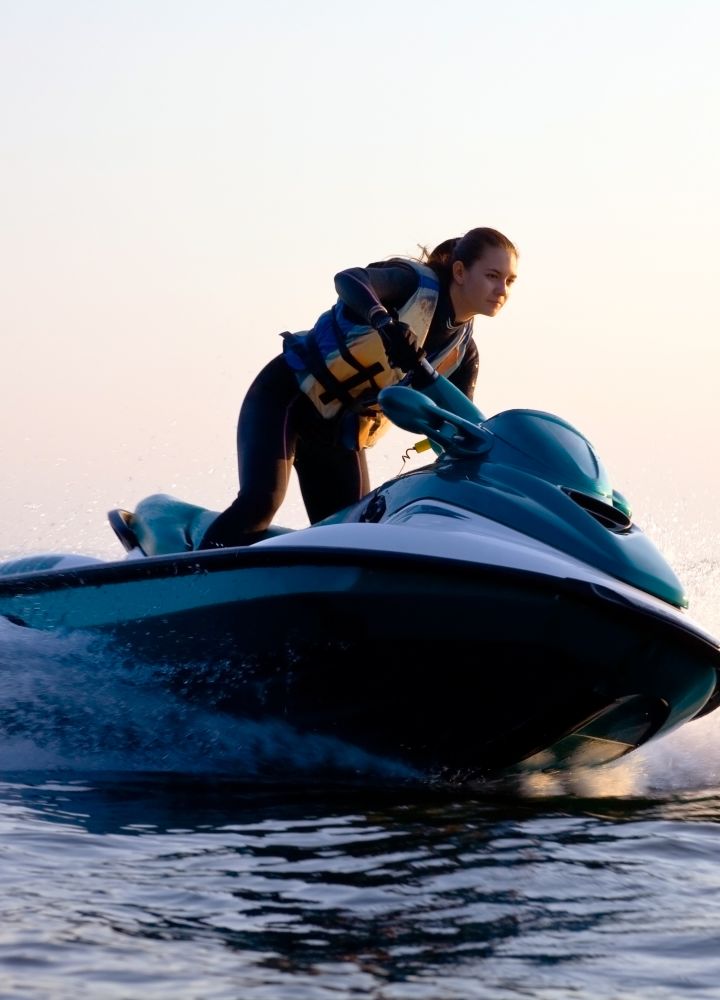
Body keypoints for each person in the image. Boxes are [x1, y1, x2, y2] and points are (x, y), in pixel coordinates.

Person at [199, 226, 518, 549]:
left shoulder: (462, 354)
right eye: (493, 275)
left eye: (509, 281)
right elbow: (348, 279)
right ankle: (188, 580)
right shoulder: (412, 285)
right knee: (260, 503)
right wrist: (384, 323)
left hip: (339, 434)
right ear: (460, 272)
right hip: (287, 396)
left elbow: (458, 430)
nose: (501, 289)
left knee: (353, 539)